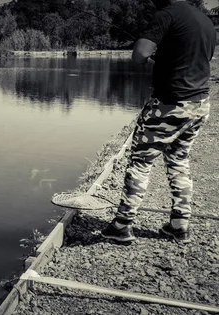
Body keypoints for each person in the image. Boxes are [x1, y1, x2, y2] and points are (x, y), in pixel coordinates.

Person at [100, 0, 216, 243]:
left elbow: (140, 54)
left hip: (170, 103)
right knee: (179, 161)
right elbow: (193, 58)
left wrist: (148, 58)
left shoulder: (167, 15)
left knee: (141, 161)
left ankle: (122, 224)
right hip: (199, 104)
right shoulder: (205, 20)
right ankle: (179, 225)